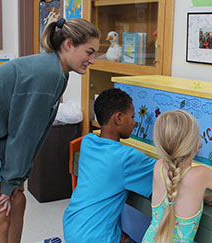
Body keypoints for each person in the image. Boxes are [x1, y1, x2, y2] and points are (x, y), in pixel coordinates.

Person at [0, 17, 100, 243]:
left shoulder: (59, 72)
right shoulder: (46, 74)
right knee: (0, 213)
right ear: (69, 44)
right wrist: (10, 182)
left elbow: (36, 133)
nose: (92, 60)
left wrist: (17, 178)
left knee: (18, 200)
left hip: (0, 134)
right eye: (89, 52)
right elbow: (24, 135)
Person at [63, 88, 156, 243]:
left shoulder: (88, 142)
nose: (134, 122)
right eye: (132, 117)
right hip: (95, 238)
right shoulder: (127, 157)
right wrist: (202, 195)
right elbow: (167, 174)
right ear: (118, 118)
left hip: (72, 227)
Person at [142, 110, 212, 243]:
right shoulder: (200, 174)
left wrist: (203, 198)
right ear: (196, 146)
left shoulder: (158, 166)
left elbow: (173, 198)